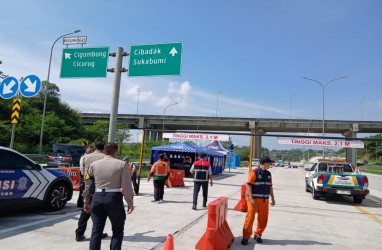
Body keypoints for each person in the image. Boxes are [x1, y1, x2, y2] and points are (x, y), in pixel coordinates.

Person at [83, 142, 134, 250]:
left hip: (97, 197)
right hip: (113, 198)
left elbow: (87, 183)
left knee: (96, 230)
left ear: (104, 151)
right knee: (117, 229)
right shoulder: (121, 164)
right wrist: (129, 202)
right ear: (116, 151)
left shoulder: (94, 165)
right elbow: (127, 185)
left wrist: (86, 200)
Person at [75, 141, 107, 242]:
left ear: (94, 148)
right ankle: (98, 232)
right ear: (104, 148)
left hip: (88, 185)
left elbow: (82, 171)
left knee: (85, 211)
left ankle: (79, 234)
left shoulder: (85, 157)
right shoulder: (105, 157)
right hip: (101, 187)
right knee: (99, 212)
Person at [241, 156, 276, 245]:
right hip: (254, 200)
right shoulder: (254, 172)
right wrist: (251, 198)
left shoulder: (268, 174)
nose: (270, 165)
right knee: (250, 219)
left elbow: (270, 186)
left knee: (263, 219)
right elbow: (248, 186)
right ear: (265, 163)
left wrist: (272, 198)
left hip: (264, 200)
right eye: (270, 163)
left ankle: (258, 234)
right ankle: (246, 236)